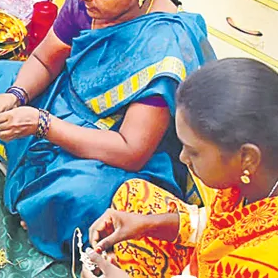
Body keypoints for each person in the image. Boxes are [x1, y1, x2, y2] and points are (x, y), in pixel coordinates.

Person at [0, 0, 215, 260]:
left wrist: (41, 125)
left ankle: (44, 194)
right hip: (67, 103)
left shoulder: (165, 46)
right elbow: (44, 59)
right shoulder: (89, 1)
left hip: (122, 148)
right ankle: (39, 190)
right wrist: (15, 96)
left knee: (83, 194)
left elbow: (131, 150)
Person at [85, 58, 278, 278]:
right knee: (134, 199)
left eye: (193, 151)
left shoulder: (265, 264)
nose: (183, 157)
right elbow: (217, 225)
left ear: (247, 157)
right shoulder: (257, 177)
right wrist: (144, 224)